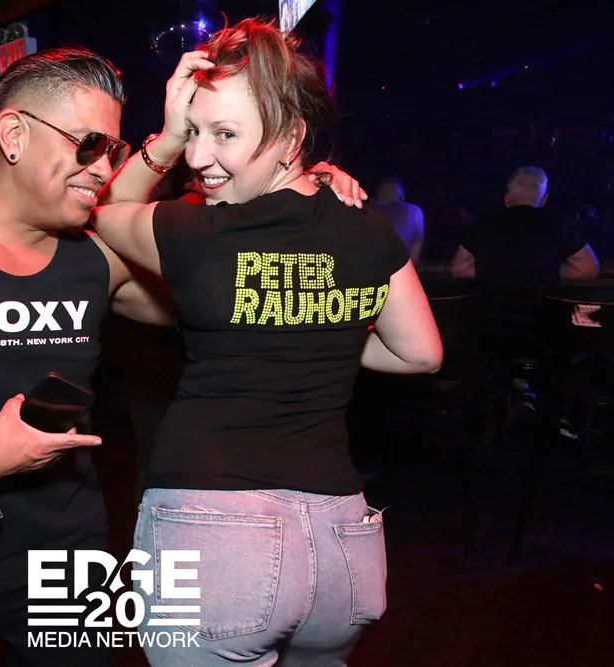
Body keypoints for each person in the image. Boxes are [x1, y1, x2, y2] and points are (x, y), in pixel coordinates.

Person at [0, 46, 365, 667]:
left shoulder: (95, 256)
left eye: (113, 151)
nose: (102, 169)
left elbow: (231, 297)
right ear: (14, 134)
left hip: (69, 560)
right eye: (89, 145)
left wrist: (297, 190)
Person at [92, 19, 442, 666]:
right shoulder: (369, 231)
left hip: (214, 537)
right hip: (343, 547)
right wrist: (322, 326)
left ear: (290, 138)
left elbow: (104, 209)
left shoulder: (195, 235)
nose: (198, 157)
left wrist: (163, 139)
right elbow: (420, 352)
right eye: (193, 132)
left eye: (224, 134)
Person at [449, 166, 599, 285]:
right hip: (543, 311)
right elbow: (587, 268)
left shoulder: (483, 224)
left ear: (506, 197)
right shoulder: (558, 225)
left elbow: (459, 269)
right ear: (544, 200)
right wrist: (549, 272)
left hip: (491, 311)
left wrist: (496, 272)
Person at [370, 176, 424, 263]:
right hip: (399, 269)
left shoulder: (363, 210)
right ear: (402, 198)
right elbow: (414, 258)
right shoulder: (414, 211)